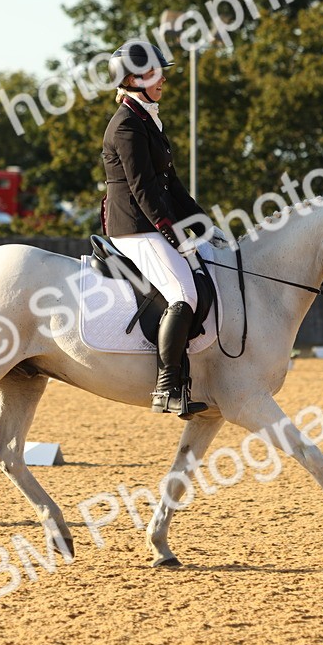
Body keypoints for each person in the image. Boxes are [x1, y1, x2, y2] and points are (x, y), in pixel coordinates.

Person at [101, 39, 209, 418]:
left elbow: (172, 186)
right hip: (135, 227)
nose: (161, 79)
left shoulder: (148, 118)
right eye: (152, 73)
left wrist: (203, 223)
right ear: (130, 79)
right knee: (184, 294)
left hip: (149, 224)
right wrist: (173, 233)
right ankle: (166, 386)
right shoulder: (128, 125)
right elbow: (143, 188)